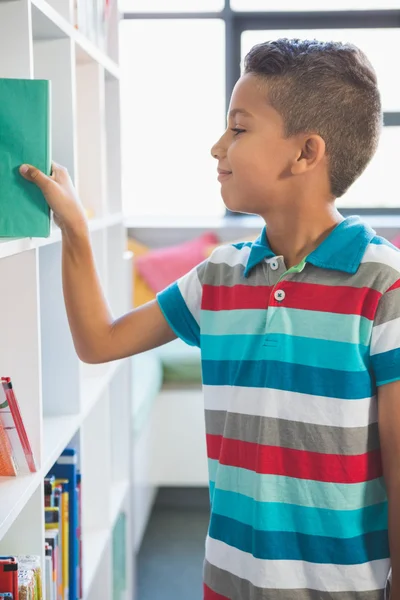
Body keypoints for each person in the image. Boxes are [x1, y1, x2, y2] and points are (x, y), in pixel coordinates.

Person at [20, 38, 400, 600]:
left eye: (239, 128)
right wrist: (75, 228)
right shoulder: (219, 275)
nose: (217, 146)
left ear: (306, 152)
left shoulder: (383, 284)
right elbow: (98, 342)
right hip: (227, 582)